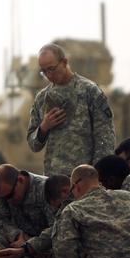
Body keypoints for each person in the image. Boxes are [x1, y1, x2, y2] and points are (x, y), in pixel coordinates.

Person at [27, 43, 115, 176]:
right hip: (54, 180)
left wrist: (98, 174)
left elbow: (105, 138)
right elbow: (33, 144)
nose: (49, 75)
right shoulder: (42, 98)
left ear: (64, 62)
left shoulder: (90, 91)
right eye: (44, 71)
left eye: (52, 69)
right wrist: (44, 127)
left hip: (84, 178)